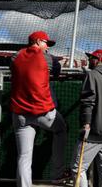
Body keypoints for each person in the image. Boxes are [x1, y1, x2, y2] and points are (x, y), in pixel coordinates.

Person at [10, 31, 68, 187]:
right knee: (61, 130)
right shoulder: (49, 58)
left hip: (20, 114)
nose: (47, 47)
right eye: (46, 43)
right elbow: (56, 72)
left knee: (24, 157)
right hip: (44, 112)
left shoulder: (15, 56)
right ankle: (58, 174)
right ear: (37, 41)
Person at [71, 49, 102, 187]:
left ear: (98, 59)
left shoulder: (92, 75)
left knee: (78, 168)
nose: (89, 60)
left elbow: (88, 102)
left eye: (91, 57)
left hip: (94, 130)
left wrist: (86, 123)